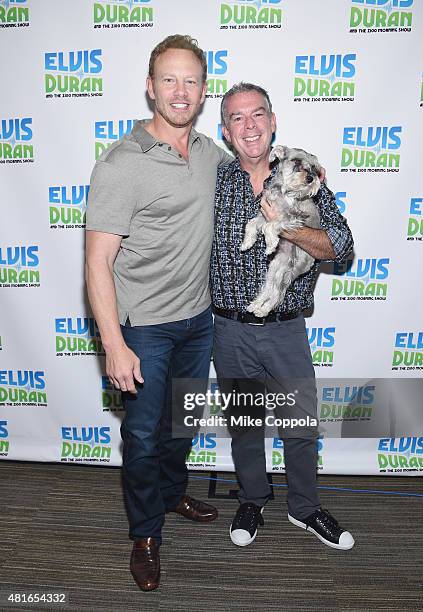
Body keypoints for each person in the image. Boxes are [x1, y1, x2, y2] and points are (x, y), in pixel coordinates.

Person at [85, 35, 232, 592]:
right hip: (143, 327)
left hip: (199, 322)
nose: (180, 90)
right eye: (169, 79)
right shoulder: (122, 163)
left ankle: (172, 497)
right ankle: (146, 533)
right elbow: (98, 263)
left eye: (191, 80)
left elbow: (255, 169)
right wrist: (113, 344)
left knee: (181, 426)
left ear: (202, 91)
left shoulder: (210, 156)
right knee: (144, 437)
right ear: (150, 88)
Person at [211, 82, 355, 550]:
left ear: (274, 123)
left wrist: (289, 224)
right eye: (237, 118)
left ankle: (305, 508)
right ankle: (253, 498)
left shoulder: (307, 178)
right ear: (226, 130)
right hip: (229, 328)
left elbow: (342, 247)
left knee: (299, 423)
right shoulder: (215, 181)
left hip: (286, 329)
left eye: (258, 115)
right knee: (245, 426)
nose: (249, 126)